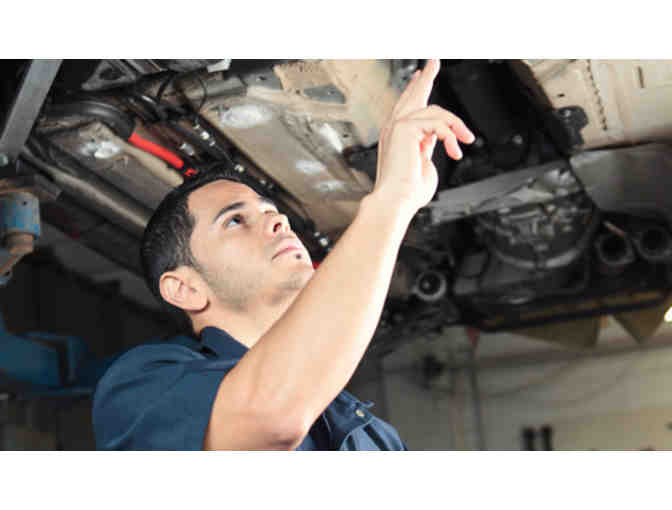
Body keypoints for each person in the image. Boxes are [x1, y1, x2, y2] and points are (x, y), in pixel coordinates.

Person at [92, 59, 475, 450]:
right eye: (235, 221)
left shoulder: (374, 436)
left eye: (272, 212)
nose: (279, 222)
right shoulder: (144, 387)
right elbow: (269, 419)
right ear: (185, 288)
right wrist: (392, 198)